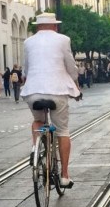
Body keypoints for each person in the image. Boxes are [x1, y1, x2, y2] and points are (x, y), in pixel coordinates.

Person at [21, 12, 80, 188]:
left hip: (33, 91)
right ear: (55, 26)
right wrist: (75, 82)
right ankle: (64, 176)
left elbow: (26, 69)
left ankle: (36, 148)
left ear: (37, 27)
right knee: (62, 130)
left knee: (38, 121)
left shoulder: (28, 42)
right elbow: (71, 66)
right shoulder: (63, 40)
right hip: (57, 90)